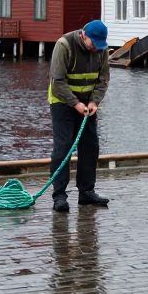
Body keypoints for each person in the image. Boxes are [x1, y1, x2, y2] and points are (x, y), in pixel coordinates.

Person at [48, 19, 111, 212]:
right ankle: (59, 195)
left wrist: (94, 102)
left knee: (90, 146)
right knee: (64, 146)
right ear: (84, 35)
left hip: (88, 105)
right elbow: (57, 81)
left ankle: (86, 193)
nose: (96, 49)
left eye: (100, 46)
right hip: (62, 102)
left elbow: (103, 79)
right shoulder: (64, 45)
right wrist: (75, 104)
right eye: (94, 44)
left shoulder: (102, 50)